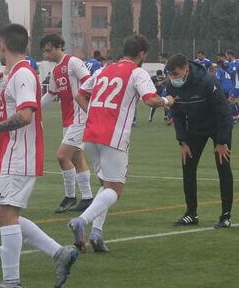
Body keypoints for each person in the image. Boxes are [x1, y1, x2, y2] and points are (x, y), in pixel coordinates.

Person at [0, 24, 79, 288]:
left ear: (2, 45)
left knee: (4, 215)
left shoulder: (22, 74)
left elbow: (26, 117)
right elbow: (21, 113)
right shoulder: (20, 73)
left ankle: (11, 282)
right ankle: (60, 253)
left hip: (20, 154)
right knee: (8, 215)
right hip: (16, 153)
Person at [69, 34, 174, 253]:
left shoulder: (102, 70)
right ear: (142, 54)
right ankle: (82, 221)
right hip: (113, 137)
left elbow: (80, 95)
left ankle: (96, 233)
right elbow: (150, 100)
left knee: (105, 184)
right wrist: (167, 101)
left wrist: (93, 114)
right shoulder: (137, 72)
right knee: (115, 189)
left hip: (91, 135)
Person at [165, 54, 235, 228]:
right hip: (195, 127)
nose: (173, 78)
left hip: (217, 125)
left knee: (223, 165)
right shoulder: (171, 86)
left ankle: (225, 215)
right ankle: (191, 213)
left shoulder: (207, 81)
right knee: (187, 165)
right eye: (170, 74)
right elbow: (177, 114)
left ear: (186, 70)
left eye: (175, 74)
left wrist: (222, 141)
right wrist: (182, 141)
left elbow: (224, 112)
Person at [40, 33, 95, 213]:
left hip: (80, 117)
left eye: (49, 50)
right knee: (76, 157)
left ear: (58, 47)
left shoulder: (74, 62)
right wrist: (34, 108)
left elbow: (89, 82)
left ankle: (70, 196)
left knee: (62, 156)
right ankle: (87, 198)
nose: (47, 55)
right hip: (68, 119)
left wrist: (89, 109)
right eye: (45, 52)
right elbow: (51, 94)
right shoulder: (55, 70)